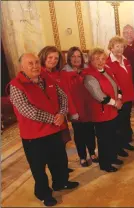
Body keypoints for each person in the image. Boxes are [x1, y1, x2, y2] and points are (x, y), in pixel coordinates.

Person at [9, 53, 79, 206]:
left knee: (59, 160)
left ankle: (60, 183)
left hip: (54, 130)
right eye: (30, 64)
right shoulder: (16, 85)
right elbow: (27, 110)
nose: (35, 66)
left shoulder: (47, 78)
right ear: (22, 67)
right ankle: (43, 193)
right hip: (34, 135)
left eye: (36, 62)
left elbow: (63, 96)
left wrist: (62, 113)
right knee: (39, 167)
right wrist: (53, 118)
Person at [83, 48, 124, 173]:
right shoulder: (89, 76)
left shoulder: (107, 70)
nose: (100, 61)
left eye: (102, 58)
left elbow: (117, 86)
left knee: (112, 136)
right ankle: (105, 164)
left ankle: (112, 157)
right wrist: (115, 103)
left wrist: (120, 99)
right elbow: (98, 95)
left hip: (112, 111)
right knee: (104, 140)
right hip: (101, 113)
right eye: (97, 59)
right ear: (91, 60)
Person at [60, 47, 98, 167]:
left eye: (78, 56)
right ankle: (82, 156)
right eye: (73, 56)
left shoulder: (87, 70)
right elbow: (66, 94)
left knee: (90, 131)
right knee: (79, 133)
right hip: (75, 108)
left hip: (89, 107)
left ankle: (92, 152)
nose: (76, 59)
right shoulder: (64, 73)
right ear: (69, 58)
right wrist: (73, 111)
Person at [38, 46, 73, 173]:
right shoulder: (39, 74)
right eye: (50, 57)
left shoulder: (57, 73)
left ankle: (62, 168)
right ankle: (59, 171)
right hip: (49, 119)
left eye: (56, 58)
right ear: (43, 57)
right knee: (53, 149)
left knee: (61, 144)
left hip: (60, 114)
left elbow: (64, 95)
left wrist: (63, 112)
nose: (53, 61)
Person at [106, 36, 134, 158]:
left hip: (128, 97)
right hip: (118, 99)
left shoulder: (126, 60)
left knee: (126, 121)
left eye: (121, 46)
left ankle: (125, 142)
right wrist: (117, 99)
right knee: (118, 124)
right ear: (111, 48)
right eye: (116, 46)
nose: (119, 49)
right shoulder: (108, 63)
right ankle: (118, 147)